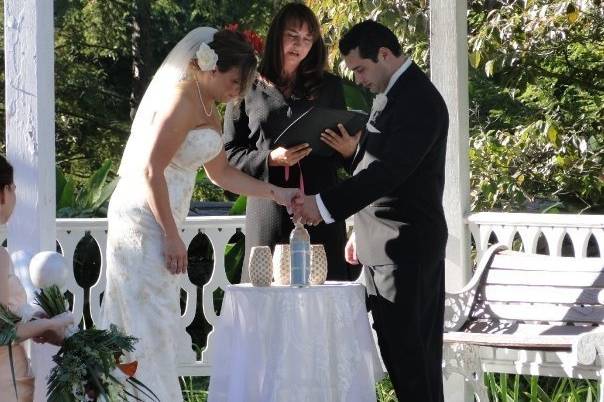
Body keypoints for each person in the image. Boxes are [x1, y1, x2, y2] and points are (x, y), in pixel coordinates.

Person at [100, 28, 301, 402]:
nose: (237, 91)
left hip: (165, 220)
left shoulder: (209, 108)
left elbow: (221, 173)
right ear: (209, 66)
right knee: (146, 321)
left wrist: (278, 192)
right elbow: (150, 170)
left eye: (242, 84)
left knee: (156, 322)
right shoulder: (182, 98)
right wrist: (172, 235)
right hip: (144, 220)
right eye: (233, 81)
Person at [293, 20, 449, 402]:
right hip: (380, 246)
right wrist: (357, 228)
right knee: (398, 363)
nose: (359, 80)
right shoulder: (390, 95)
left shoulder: (419, 100)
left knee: (415, 368)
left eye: (361, 69)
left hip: (406, 248)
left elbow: (390, 172)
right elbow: (377, 165)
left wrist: (324, 204)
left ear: (384, 55)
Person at [223, 3, 361, 281]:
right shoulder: (247, 86)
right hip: (267, 208)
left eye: (308, 38)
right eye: (293, 36)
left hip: (320, 205)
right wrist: (271, 158)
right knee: (267, 296)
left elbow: (343, 150)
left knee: (324, 295)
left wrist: (349, 151)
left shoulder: (329, 86)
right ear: (277, 36)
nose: (301, 45)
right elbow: (227, 155)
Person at [0, 155, 74, 402]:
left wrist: (31, 317)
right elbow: (3, 332)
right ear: (3, 194)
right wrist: (51, 324)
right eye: (13, 189)